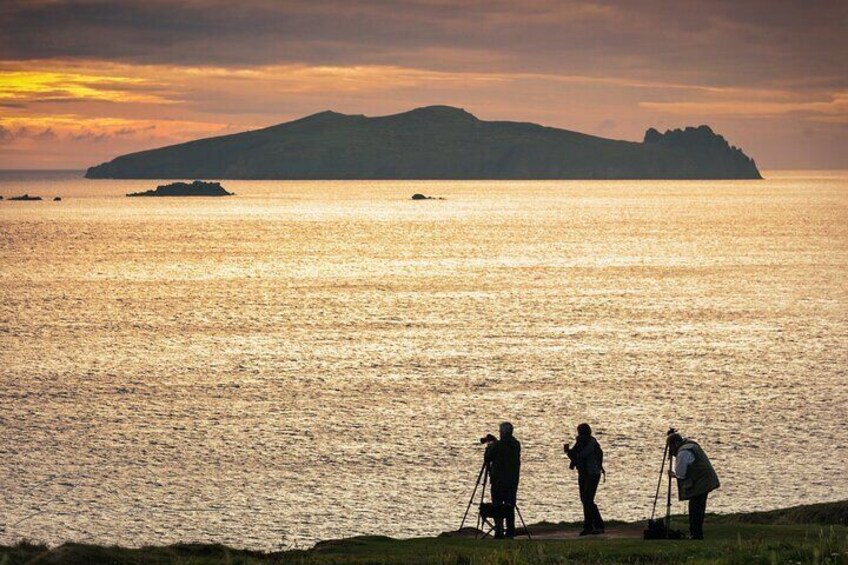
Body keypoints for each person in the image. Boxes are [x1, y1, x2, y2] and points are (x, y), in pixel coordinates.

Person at [667, 431, 720, 540]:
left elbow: (681, 474)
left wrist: (673, 475)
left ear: (676, 443)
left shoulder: (683, 452)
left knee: (695, 508)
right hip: (706, 479)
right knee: (699, 507)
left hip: (701, 482)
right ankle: (697, 533)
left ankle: (695, 534)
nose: (670, 450)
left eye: (671, 446)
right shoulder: (690, 445)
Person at [565, 423, 605, 535]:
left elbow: (582, 455)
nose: (579, 434)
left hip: (592, 474)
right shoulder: (580, 442)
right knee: (585, 500)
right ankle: (589, 526)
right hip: (583, 473)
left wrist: (573, 453)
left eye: (581, 432)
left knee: (588, 500)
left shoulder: (591, 443)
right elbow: (575, 455)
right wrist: (569, 452)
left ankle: (597, 525)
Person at [484, 421, 521, 538]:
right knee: (510, 506)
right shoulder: (516, 444)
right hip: (512, 481)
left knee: (497, 506)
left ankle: (499, 531)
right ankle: (510, 531)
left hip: (498, 481)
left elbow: (488, 458)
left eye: (500, 432)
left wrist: (490, 447)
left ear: (503, 433)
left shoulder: (497, 445)